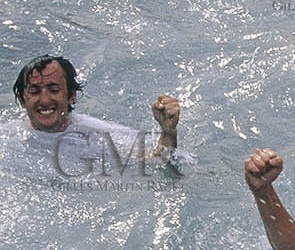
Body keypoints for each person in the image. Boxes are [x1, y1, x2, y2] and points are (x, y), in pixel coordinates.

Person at [4, 55, 183, 171]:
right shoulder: (7, 139)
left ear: (71, 96)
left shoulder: (96, 134)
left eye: (53, 89)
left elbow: (157, 160)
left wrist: (168, 131)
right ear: (22, 100)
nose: (44, 100)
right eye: (34, 91)